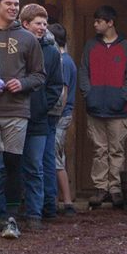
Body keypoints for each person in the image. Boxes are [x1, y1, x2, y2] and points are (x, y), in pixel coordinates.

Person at [0, 0, 44, 240]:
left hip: (17, 111)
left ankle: (11, 220)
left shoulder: (28, 38)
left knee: (14, 164)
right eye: (8, 3)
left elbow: (39, 74)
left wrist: (22, 84)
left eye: (16, 3)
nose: (14, 7)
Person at [78, 6, 127, 209]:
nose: (95, 24)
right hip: (95, 108)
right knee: (99, 150)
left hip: (118, 110)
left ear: (110, 22)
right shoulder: (90, 46)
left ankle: (115, 188)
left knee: (117, 150)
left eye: (99, 21)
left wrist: (122, 97)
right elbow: (83, 72)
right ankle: (100, 188)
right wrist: (89, 94)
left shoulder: (126, 47)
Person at [21, 4, 63, 230]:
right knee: (5, 165)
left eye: (45, 24)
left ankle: (36, 213)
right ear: (26, 24)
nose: (42, 28)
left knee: (37, 165)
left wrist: (42, 106)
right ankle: (5, 211)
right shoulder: (14, 44)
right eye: (38, 23)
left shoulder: (51, 51)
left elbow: (56, 85)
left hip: (39, 118)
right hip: (14, 113)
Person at [50, 21, 78, 216]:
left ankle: (67, 201)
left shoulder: (64, 62)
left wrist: (54, 114)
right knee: (58, 155)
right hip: (61, 115)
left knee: (54, 157)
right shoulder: (63, 60)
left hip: (60, 116)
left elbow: (63, 93)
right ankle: (58, 199)